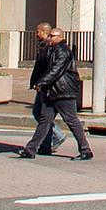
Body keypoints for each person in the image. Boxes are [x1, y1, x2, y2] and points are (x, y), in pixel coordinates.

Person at [19, 23, 93, 161]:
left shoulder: (63, 51)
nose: (50, 38)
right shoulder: (51, 49)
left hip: (63, 92)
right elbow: (44, 67)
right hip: (51, 91)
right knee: (44, 120)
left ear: (59, 37)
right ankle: (32, 149)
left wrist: (41, 83)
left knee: (71, 120)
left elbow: (56, 71)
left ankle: (85, 150)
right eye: (50, 36)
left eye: (52, 36)